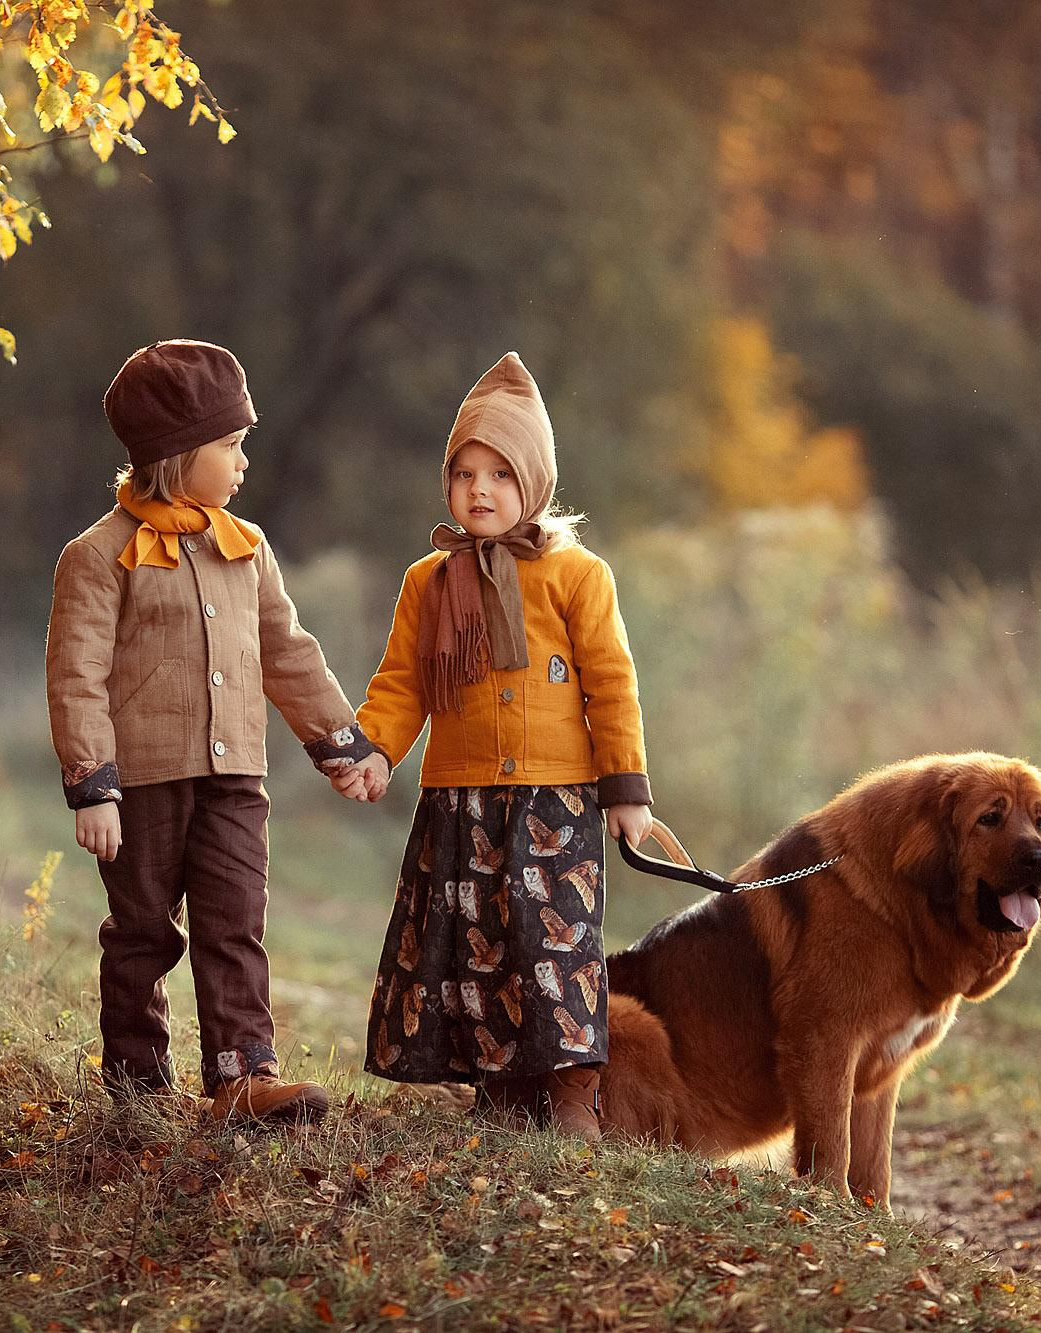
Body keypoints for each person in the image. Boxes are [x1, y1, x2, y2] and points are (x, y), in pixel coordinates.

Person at [46, 339, 379, 1125]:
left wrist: (342, 741)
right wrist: (94, 785)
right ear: (175, 451)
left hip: (236, 779)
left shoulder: (247, 548)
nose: (242, 463)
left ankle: (242, 1076)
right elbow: (76, 677)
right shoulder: (98, 557)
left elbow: (287, 650)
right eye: (230, 445)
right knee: (142, 932)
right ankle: (136, 1081)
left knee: (236, 924)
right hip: (144, 786)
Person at [336, 352, 653, 1142]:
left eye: (501, 476)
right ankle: (503, 1092)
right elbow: (403, 680)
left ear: (535, 485)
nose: (481, 491)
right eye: (465, 473)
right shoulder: (429, 582)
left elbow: (611, 683)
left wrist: (626, 787)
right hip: (461, 796)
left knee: (557, 945)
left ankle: (575, 1094)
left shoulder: (577, 575)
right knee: (478, 947)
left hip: (556, 797)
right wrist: (376, 749)